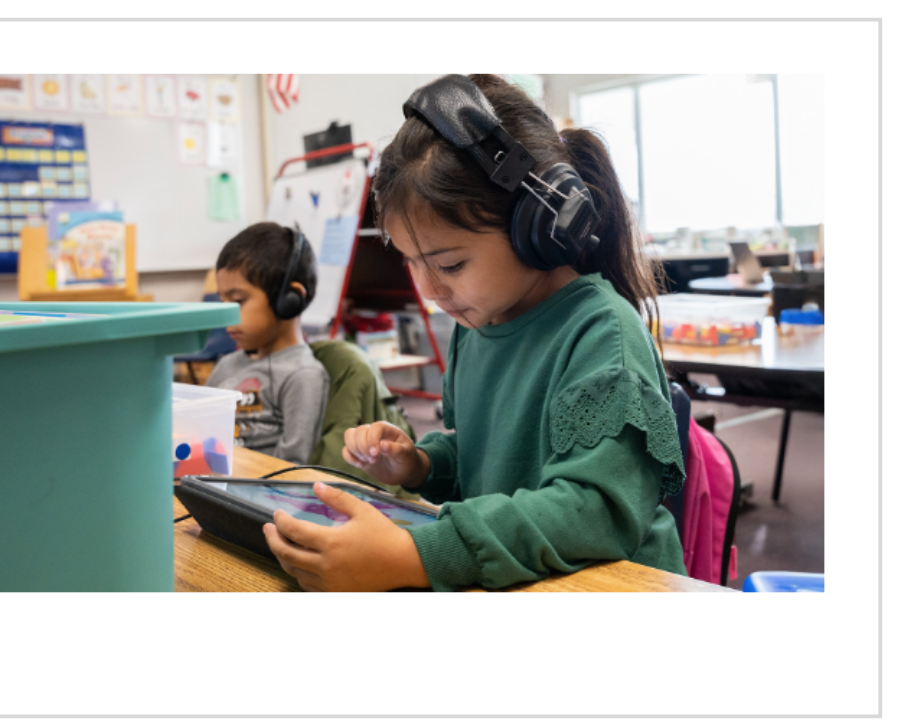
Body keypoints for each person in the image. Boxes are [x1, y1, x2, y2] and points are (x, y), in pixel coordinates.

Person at [262, 74, 686, 592]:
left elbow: (593, 511)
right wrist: (421, 464)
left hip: (611, 587)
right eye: (413, 263)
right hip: (518, 577)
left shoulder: (601, 334)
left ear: (540, 226)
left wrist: (413, 555)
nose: (430, 289)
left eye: (451, 263)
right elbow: (481, 459)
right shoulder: (477, 321)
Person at [206, 222, 330, 465]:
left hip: (258, 494)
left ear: (288, 300)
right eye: (223, 302)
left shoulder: (303, 375)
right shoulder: (226, 366)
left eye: (238, 301)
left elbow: (292, 466)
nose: (226, 316)